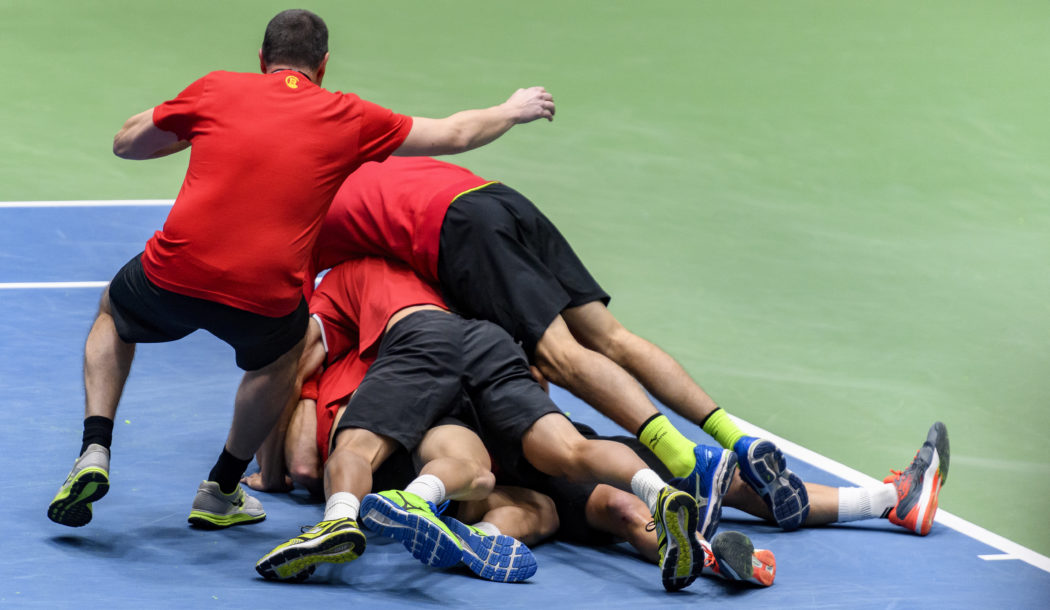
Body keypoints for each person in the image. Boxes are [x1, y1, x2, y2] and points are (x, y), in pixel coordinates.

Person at [46, 9, 555, 531]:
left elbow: (127, 143)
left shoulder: (217, 88)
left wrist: (191, 129)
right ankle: (222, 489)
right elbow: (455, 133)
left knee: (114, 309)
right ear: (324, 65)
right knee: (282, 355)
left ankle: (95, 450)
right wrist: (513, 109)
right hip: (265, 297)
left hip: (175, 271)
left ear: (262, 59)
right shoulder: (349, 115)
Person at [307, 155, 808, 531]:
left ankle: (686, 459)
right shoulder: (365, 156)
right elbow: (455, 133)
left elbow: (285, 345)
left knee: (561, 356)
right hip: (497, 197)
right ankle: (731, 437)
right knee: (611, 336)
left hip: (458, 232)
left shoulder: (299, 225)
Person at [254, 256, 711, 592]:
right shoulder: (442, 278)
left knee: (374, 453)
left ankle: (354, 517)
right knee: (551, 481)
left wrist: (265, 471)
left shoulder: (341, 320)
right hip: (484, 361)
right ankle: (660, 497)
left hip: (414, 379)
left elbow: (293, 380)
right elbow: (535, 371)